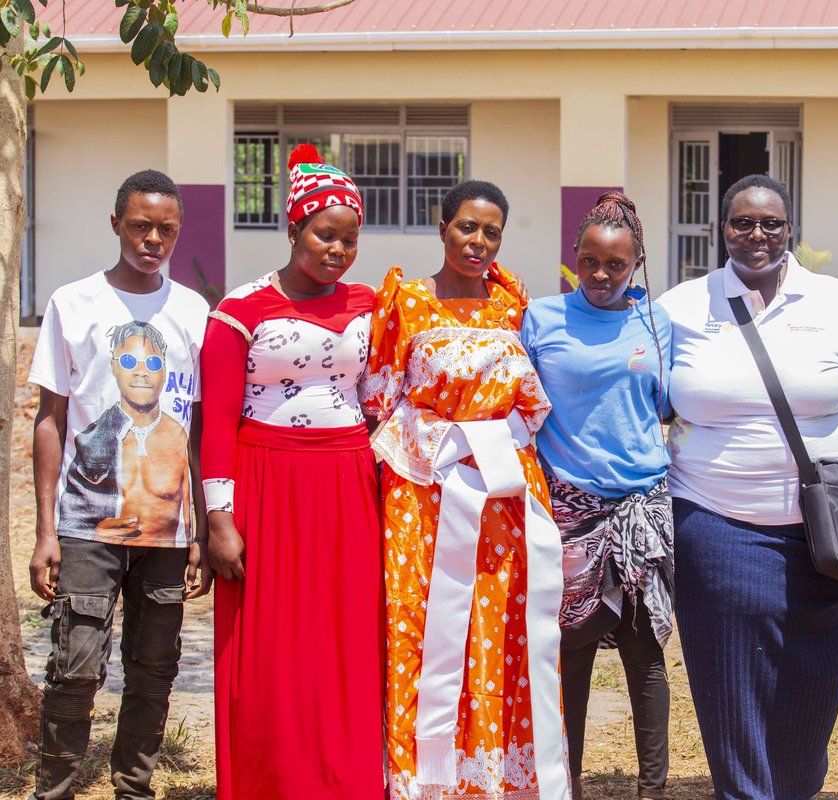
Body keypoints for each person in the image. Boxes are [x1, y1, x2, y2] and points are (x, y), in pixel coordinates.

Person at [657, 174, 838, 799]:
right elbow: (643, 397)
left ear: (791, 230)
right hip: (717, 519)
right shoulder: (681, 307)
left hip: (829, 532)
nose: (757, 235)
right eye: (742, 223)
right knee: (732, 685)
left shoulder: (836, 304)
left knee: (816, 682)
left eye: (771, 224)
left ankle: (797, 787)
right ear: (721, 230)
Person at [362, 180, 570, 800]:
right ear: (442, 225)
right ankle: (429, 777)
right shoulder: (404, 302)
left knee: (503, 622)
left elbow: (533, 402)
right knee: (425, 622)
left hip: (506, 489)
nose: (478, 242)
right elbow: (378, 399)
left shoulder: (513, 306)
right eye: (467, 228)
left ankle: (501, 776)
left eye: (491, 232)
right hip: (425, 490)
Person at [200, 144, 383, 799]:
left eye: (349, 239)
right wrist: (218, 520)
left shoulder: (370, 304)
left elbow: (384, 398)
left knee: (347, 639)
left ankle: (349, 778)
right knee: (273, 646)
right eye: (323, 235)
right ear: (293, 230)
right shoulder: (240, 311)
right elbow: (215, 423)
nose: (336, 250)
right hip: (268, 485)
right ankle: (272, 780)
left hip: (349, 486)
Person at [27, 169, 210, 800]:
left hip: (167, 532)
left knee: (154, 669)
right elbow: (49, 421)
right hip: (84, 530)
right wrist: (46, 530)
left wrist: (201, 534)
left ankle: (134, 787)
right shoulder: (71, 303)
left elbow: (199, 430)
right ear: (116, 225)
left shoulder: (194, 312)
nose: (153, 239)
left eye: (166, 229)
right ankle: (56, 788)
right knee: (75, 666)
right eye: (140, 225)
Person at [521, 193, 674, 800]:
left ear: (636, 263)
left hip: (643, 505)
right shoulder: (541, 319)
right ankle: (569, 782)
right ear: (574, 260)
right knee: (572, 651)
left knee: (645, 652)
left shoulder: (657, 324)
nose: (601, 276)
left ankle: (652, 788)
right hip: (567, 509)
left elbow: (665, 406)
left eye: (616, 264)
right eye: (589, 262)